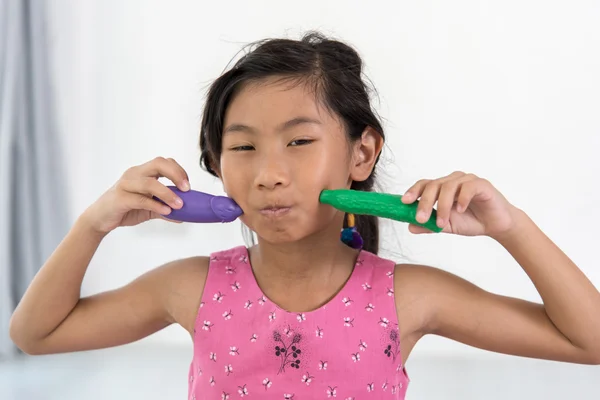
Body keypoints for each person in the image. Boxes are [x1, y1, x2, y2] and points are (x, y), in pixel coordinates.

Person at [9, 31, 600, 399]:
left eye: (298, 142)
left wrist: (510, 227)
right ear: (217, 164)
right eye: (242, 147)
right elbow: (36, 334)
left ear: (361, 153)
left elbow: (589, 341)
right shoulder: (191, 287)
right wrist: (94, 223)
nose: (269, 173)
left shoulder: (411, 297)